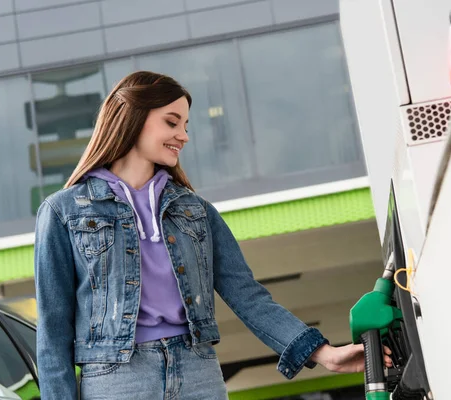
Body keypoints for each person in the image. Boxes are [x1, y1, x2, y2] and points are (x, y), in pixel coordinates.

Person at [34, 71, 392, 399]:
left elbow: (248, 296)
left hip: (197, 371)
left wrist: (323, 353)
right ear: (132, 118)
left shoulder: (195, 210)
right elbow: (52, 335)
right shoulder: (63, 211)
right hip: (117, 379)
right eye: (171, 122)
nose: (183, 136)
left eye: (186, 125)